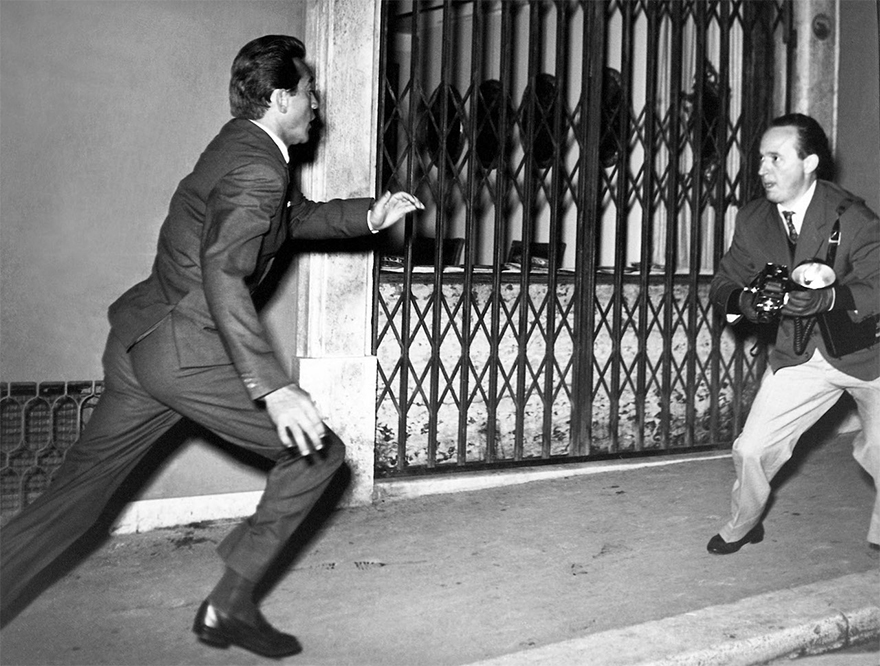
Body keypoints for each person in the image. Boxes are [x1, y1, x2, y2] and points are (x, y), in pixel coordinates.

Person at [0, 35, 423, 658]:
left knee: (73, 501)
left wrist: (368, 215)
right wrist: (274, 387)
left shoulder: (241, 144)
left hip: (142, 342)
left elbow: (290, 218)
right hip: (186, 352)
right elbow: (225, 272)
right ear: (281, 97)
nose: (317, 107)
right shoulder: (258, 167)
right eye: (309, 93)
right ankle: (230, 603)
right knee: (318, 456)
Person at [707, 113, 879, 555]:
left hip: (866, 354)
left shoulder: (852, 217)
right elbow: (725, 280)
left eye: (775, 159)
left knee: (879, 451)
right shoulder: (754, 220)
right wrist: (741, 302)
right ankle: (744, 523)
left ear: (809, 163)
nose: (762, 169)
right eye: (760, 158)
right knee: (751, 449)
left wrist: (831, 299)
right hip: (799, 356)